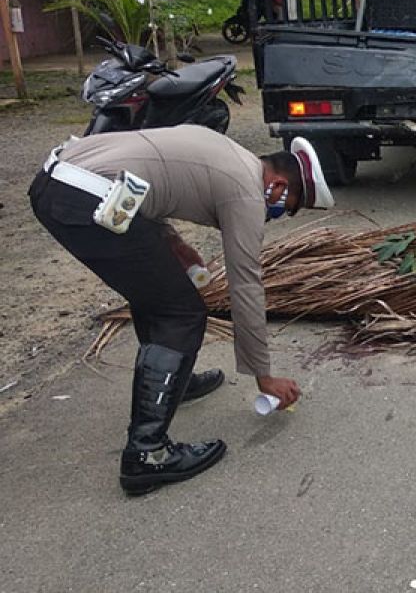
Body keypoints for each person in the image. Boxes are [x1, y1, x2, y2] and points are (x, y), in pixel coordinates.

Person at [28, 125, 334, 495]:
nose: (279, 215)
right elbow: (246, 285)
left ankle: (174, 381)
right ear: (280, 187)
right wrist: (263, 377)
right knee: (182, 313)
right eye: (288, 210)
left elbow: (146, 177)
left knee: (159, 292)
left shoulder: (231, 153)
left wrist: (172, 241)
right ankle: (147, 453)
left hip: (56, 180)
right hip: (84, 196)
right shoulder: (247, 192)